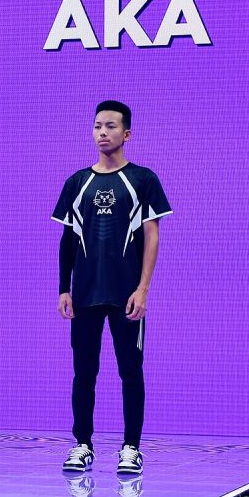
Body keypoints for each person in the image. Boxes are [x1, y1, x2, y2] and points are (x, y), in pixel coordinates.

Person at [52, 100, 172, 475]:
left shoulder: (143, 180)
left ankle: (131, 448)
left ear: (127, 134)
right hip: (85, 295)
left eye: (111, 126)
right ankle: (82, 445)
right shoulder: (77, 183)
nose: (102, 133)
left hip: (126, 296)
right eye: (97, 126)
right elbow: (68, 240)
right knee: (83, 373)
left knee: (130, 371)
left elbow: (152, 236)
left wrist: (143, 289)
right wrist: (64, 288)